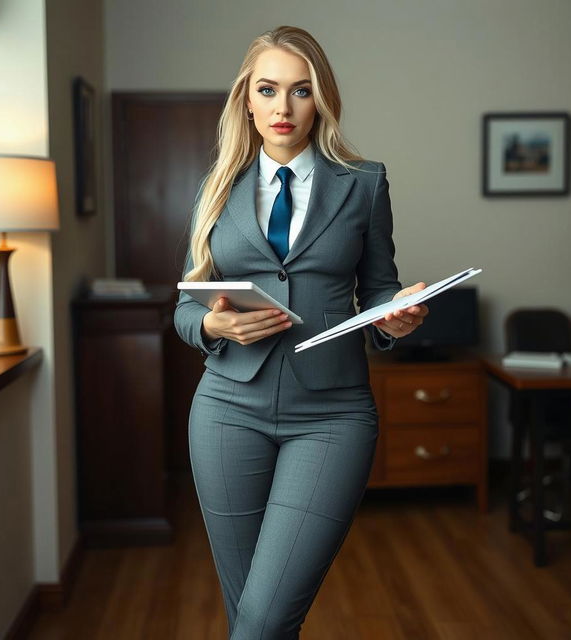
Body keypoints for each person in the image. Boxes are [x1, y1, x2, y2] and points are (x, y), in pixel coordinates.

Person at [174, 25, 428, 639]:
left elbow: (380, 288)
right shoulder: (216, 188)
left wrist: (397, 313)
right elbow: (183, 307)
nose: (283, 107)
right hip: (227, 410)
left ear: (322, 100)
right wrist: (212, 322)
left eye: (301, 90)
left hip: (333, 415)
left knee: (264, 619)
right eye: (268, 89)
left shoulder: (363, 183)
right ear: (247, 99)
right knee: (251, 620)